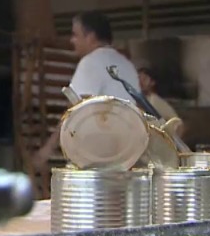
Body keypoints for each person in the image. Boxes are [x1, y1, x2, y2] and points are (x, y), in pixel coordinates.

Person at [32, 12, 140, 170]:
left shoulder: (90, 62)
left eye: (75, 35)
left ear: (90, 37)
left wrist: (47, 149)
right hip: (127, 154)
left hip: (97, 154)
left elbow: (75, 110)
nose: (72, 41)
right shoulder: (127, 65)